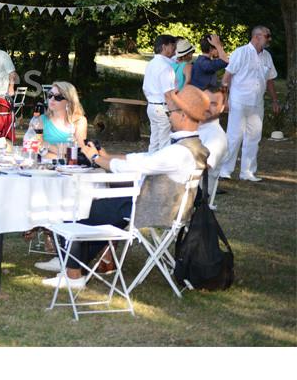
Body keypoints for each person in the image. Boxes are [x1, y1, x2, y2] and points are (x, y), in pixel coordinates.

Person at [37, 85, 210, 287]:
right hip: (163, 208)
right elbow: (145, 157)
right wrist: (106, 157)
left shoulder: (179, 152)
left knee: (80, 209)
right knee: (97, 209)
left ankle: (73, 274)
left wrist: (96, 158)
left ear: (183, 115)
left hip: (150, 209)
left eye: (170, 112)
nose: (168, 116)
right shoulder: (192, 146)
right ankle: (75, 267)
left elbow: (137, 166)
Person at [218, 26, 280, 183]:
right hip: (239, 101)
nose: (269, 39)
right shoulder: (241, 52)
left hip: (257, 103)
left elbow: (270, 80)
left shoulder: (267, 56)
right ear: (257, 36)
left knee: (254, 137)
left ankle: (247, 172)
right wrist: (224, 100)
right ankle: (225, 170)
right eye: (267, 36)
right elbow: (226, 77)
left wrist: (274, 100)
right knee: (234, 136)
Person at [142, 34, 178, 152]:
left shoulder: (151, 63)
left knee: (155, 141)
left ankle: (149, 168)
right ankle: (162, 169)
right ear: (164, 47)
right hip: (163, 108)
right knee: (164, 143)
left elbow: (145, 88)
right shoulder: (166, 66)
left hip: (152, 106)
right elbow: (168, 94)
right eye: (172, 45)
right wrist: (173, 112)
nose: (174, 48)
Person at [198, 87, 229, 208]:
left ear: (222, 108)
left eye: (213, 104)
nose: (206, 107)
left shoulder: (216, 136)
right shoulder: (191, 125)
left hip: (192, 193)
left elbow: (201, 168)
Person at [40, 81, 88, 156]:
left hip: (70, 166)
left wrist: (47, 145)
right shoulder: (40, 120)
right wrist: (63, 151)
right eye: (50, 95)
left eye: (58, 97)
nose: (52, 99)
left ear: (69, 101)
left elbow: (79, 149)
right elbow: (33, 144)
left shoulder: (79, 121)